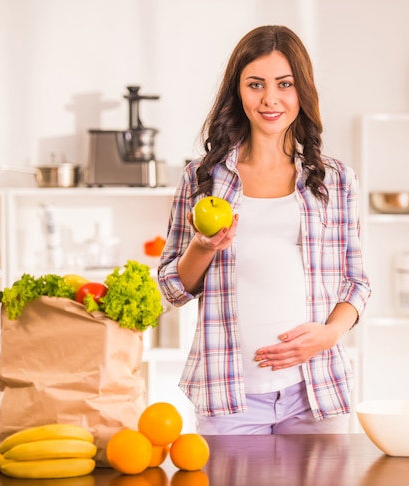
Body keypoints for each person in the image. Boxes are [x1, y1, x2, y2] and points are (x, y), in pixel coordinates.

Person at [158, 25, 371, 435]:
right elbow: (172, 288)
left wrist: (328, 334)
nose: (270, 99)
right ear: (238, 92)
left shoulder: (337, 180)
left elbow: (357, 283)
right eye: (256, 84)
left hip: (315, 393)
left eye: (284, 84)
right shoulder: (204, 180)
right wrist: (203, 247)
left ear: (301, 91)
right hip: (229, 397)